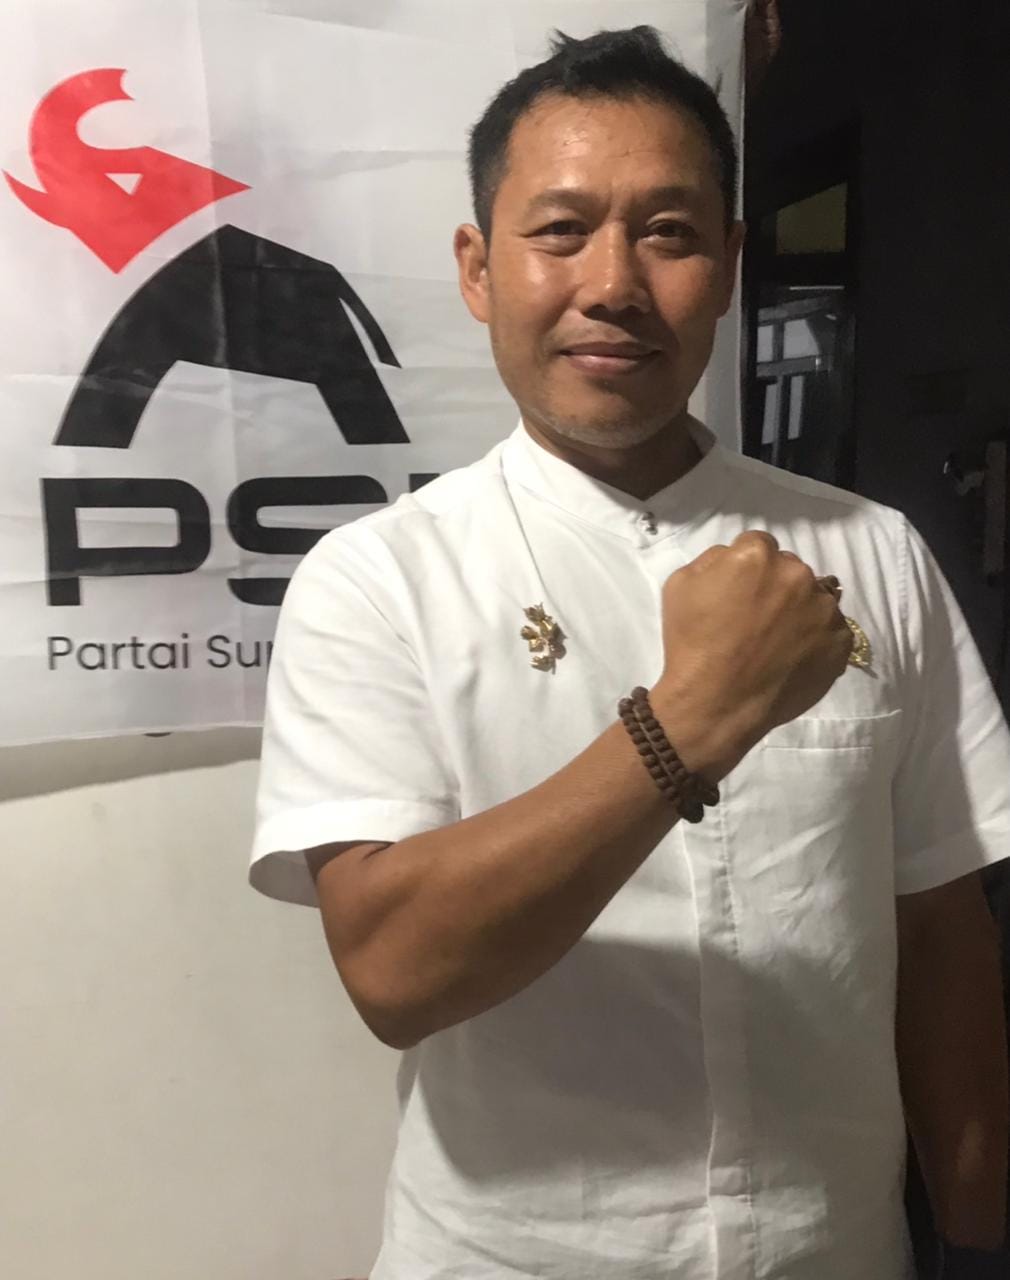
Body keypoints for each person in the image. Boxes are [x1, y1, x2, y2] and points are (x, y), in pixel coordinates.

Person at [249, 26, 1009, 1280]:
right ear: (478, 268)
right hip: (511, 1258)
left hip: (832, 1250)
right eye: (559, 230)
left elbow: (937, 928)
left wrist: (977, 1233)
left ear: (728, 266)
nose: (612, 282)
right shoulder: (377, 578)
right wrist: (689, 720)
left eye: (666, 232)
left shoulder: (872, 552)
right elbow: (393, 969)